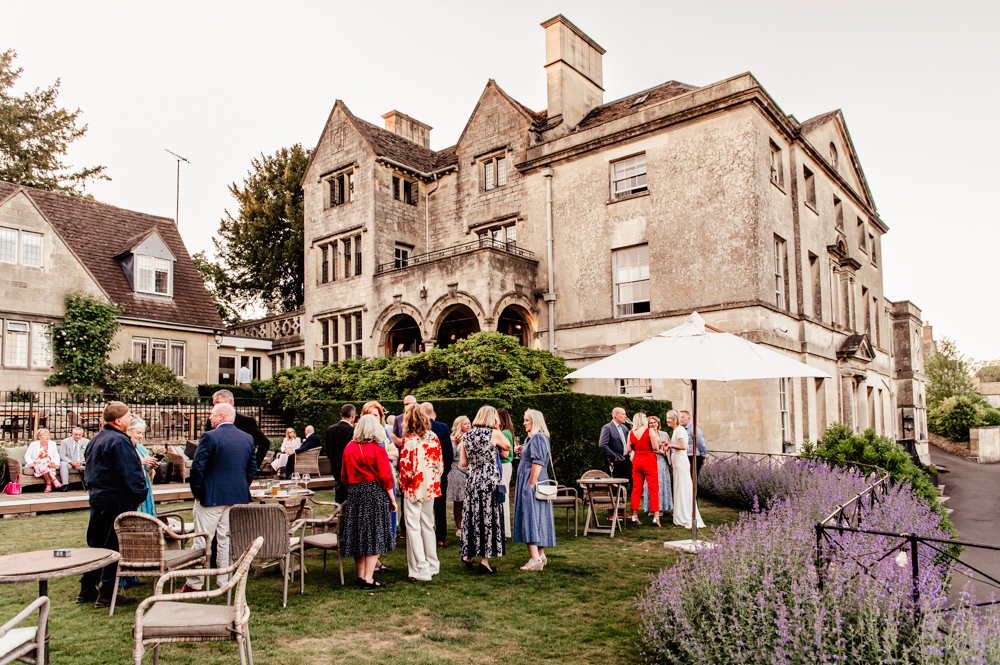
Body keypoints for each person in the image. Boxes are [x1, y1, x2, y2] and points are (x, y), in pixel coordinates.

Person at [177, 403, 257, 594]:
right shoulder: (247, 438)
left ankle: (195, 584)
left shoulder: (209, 436)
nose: (210, 418)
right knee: (225, 540)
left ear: (221, 416)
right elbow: (251, 468)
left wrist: (197, 491)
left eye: (212, 414)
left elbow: (197, 467)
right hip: (235, 497)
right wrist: (240, 487)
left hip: (210, 497)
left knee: (202, 539)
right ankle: (224, 581)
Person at [79, 401, 149, 609]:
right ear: (118, 420)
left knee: (97, 543)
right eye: (129, 416)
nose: (131, 418)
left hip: (98, 497)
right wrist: (140, 495)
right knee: (114, 545)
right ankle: (108, 593)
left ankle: (87, 587)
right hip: (116, 499)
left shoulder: (97, 438)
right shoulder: (119, 441)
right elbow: (130, 473)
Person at [340, 414, 396, 590]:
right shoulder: (377, 449)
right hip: (373, 493)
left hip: (355, 493)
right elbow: (386, 477)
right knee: (374, 535)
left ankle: (360, 575)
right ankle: (368, 578)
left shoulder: (349, 447)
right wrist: (392, 499)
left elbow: (343, 475)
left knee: (358, 535)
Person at [459, 406, 509, 574]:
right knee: (488, 518)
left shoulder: (467, 435)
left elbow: (463, 463)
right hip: (489, 482)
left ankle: (468, 554)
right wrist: (496, 428)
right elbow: (508, 446)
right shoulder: (493, 434)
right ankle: (484, 561)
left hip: (472, 481)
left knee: (473, 516)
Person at [399, 404, 444, 581]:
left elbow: (406, 470)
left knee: (413, 527)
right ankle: (432, 564)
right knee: (427, 524)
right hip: (431, 486)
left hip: (413, 487)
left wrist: (402, 483)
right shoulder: (434, 437)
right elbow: (440, 465)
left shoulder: (409, 440)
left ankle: (422, 568)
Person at [512, 409, 556, 571]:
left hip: (532, 480)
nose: (524, 423)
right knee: (539, 517)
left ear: (535, 421)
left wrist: (530, 484)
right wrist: (524, 449)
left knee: (529, 516)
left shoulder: (537, 437)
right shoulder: (538, 438)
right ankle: (541, 554)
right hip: (539, 481)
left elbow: (538, 462)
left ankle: (534, 559)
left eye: (527, 420)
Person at [361, 401, 399, 567]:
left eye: (376, 415)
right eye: (371, 415)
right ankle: (373, 562)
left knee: (388, 518)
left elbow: (395, 453)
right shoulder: (361, 435)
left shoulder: (383, 432)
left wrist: (379, 454)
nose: (374, 418)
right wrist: (383, 455)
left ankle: (376, 559)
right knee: (375, 521)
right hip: (372, 480)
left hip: (387, 475)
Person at [206, 389, 271, 473]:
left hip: (239, 470)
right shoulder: (211, 421)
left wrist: (253, 466)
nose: (215, 406)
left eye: (218, 402)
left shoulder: (246, 421)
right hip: (216, 470)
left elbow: (264, 443)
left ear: (230, 401)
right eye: (214, 403)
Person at [666, 410, 704, 530]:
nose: (667, 420)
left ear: (674, 419)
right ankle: (680, 513)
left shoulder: (679, 430)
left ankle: (685, 515)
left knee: (683, 487)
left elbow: (684, 447)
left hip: (681, 461)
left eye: (669, 418)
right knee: (679, 487)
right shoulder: (677, 430)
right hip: (677, 461)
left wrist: (671, 445)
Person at [422, 402, 454, 548]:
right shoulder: (442, 427)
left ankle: (423, 537)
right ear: (433, 413)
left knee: (422, 505)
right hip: (439, 472)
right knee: (440, 506)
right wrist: (443, 471)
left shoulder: (417, 427)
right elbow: (448, 452)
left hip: (422, 474)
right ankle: (440, 537)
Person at [627, 413, 662, 527]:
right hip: (649, 460)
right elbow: (656, 448)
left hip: (637, 461)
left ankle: (634, 515)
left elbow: (628, 449)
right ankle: (656, 517)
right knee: (653, 488)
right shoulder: (649, 431)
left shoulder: (631, 432)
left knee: (636, 488)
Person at [598, 408, 631, 514]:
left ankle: (621, 510)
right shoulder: (607, 428)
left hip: (625, 460)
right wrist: (614, 456)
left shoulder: (625, 428)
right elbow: (602, 444)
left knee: (623, 486)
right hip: (615, 461)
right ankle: (612, 512)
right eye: (623, 414)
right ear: (616, 415)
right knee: (614, 487)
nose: (625, 416)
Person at [126, 418, 159, 517]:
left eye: (142, 433)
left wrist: (151, 467)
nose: (140, 436)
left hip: (144, 487)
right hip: (133, 489)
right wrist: (140, 462)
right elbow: (124, 467)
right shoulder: (125, 448)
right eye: (138, 433)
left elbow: (146, 472)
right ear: (129, 431)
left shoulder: (141, 449)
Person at [325, 404, 356, 504]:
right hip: (349, 469)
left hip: (335, 467)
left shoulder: (330, 429)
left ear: (341, 414)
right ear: (353, 416)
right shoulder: (352, 431)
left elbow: (327, 451)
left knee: (338, 498)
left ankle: (338, 516)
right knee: (350, 498)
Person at [642, 416, 672, 516]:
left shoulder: (664, 434)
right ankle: (651, 508)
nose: (653, 424)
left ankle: (661, 507)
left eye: (655, 422)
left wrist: (663, 450)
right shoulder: (646, 434)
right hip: (650, 460)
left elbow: (669, 447)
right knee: (651, 484)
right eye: (651, 423)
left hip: (662, 461)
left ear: (658, 423)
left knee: (662, 483)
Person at [447, 416, 471, 534]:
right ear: (458, 425)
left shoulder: (473, 436)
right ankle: (459, 526)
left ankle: (469, 524)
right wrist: (455, 444)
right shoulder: (452, 438)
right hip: (457, 470)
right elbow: (450, 456)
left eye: (468, 423)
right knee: (459, 500)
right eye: (465, 424)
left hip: (469, 469)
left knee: (469, 500)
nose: (468, 425)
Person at [496, 408, 516, 539]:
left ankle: (505, 530)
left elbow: (505, 454)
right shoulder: (508, 432)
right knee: (503, 495)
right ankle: (505, 530)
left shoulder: (503, 433)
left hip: (503, 465)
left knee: (502, 496)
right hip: (507, 466)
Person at [59, 427, 88, 491]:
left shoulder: (86, 442)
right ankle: (65, 485)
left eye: (79, 435)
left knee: (90, 463)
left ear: (82, 434)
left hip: (81, 462)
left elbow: (89, 454)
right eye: (75, 434)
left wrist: (81, 461)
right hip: (70, 462)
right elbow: (62, 455)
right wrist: (71, 462)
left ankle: (87, 484)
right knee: (63, 464)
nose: (77, 436)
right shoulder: (65, 442)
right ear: (72, 434)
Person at [680, 410, 708, 476]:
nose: (680, 419)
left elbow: (700, 443)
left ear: (688, 418)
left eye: (683, 417)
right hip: (684, 457)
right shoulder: (681, 429)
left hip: (693, 457)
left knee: (692, 478)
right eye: (679, 417)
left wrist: (704, 455)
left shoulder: (694, 429)